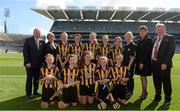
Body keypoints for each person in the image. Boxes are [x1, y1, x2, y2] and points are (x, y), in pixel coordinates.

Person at [151, 23, 175, 106]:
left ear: (165, 29)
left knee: (166, 82)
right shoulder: (154, 39)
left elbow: (171, 51)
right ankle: (157, 96)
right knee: (156, 82)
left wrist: (165, 63)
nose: (159, 30)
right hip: (154, 64)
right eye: (157, 29)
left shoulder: (170, 38)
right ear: (155, 30)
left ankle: (167, 99)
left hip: (164, 65)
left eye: (161, 29)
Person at [23, 28, 45, 100]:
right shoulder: (28, 40)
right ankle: (28, 94)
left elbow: (42, 53)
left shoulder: (42, 41)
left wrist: (43, 63)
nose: (38, 34)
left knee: (36, 79)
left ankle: (35, 91)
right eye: (36, 33)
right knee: (29, 79)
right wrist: (27, 62)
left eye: (39, 33)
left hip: (38, 65)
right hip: (30, 64)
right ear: (33, 33)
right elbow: (25, 52)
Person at [135, 25, 153, 100]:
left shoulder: (149, 40)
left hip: (144, 62)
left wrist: (142, 62)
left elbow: (147, 53)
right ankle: (144, 92)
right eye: (140, 31)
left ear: (146, 31)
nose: (141, 32)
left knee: (143, 77)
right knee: (142, 77)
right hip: (139, 61)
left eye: (143, 31)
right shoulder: (139, 40)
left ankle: (144, 92)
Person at [123, 31, 136, 98]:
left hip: (129, 66)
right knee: (126, 78)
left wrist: (129, 66)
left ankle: (130, 91)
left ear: (132, 37)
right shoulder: (125, 46)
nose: (128, 38)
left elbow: (132, 57)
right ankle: (126, 90)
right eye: (126, 36)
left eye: (129, 36)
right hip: (124, 65)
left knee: (130, 78)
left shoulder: (133, 46)